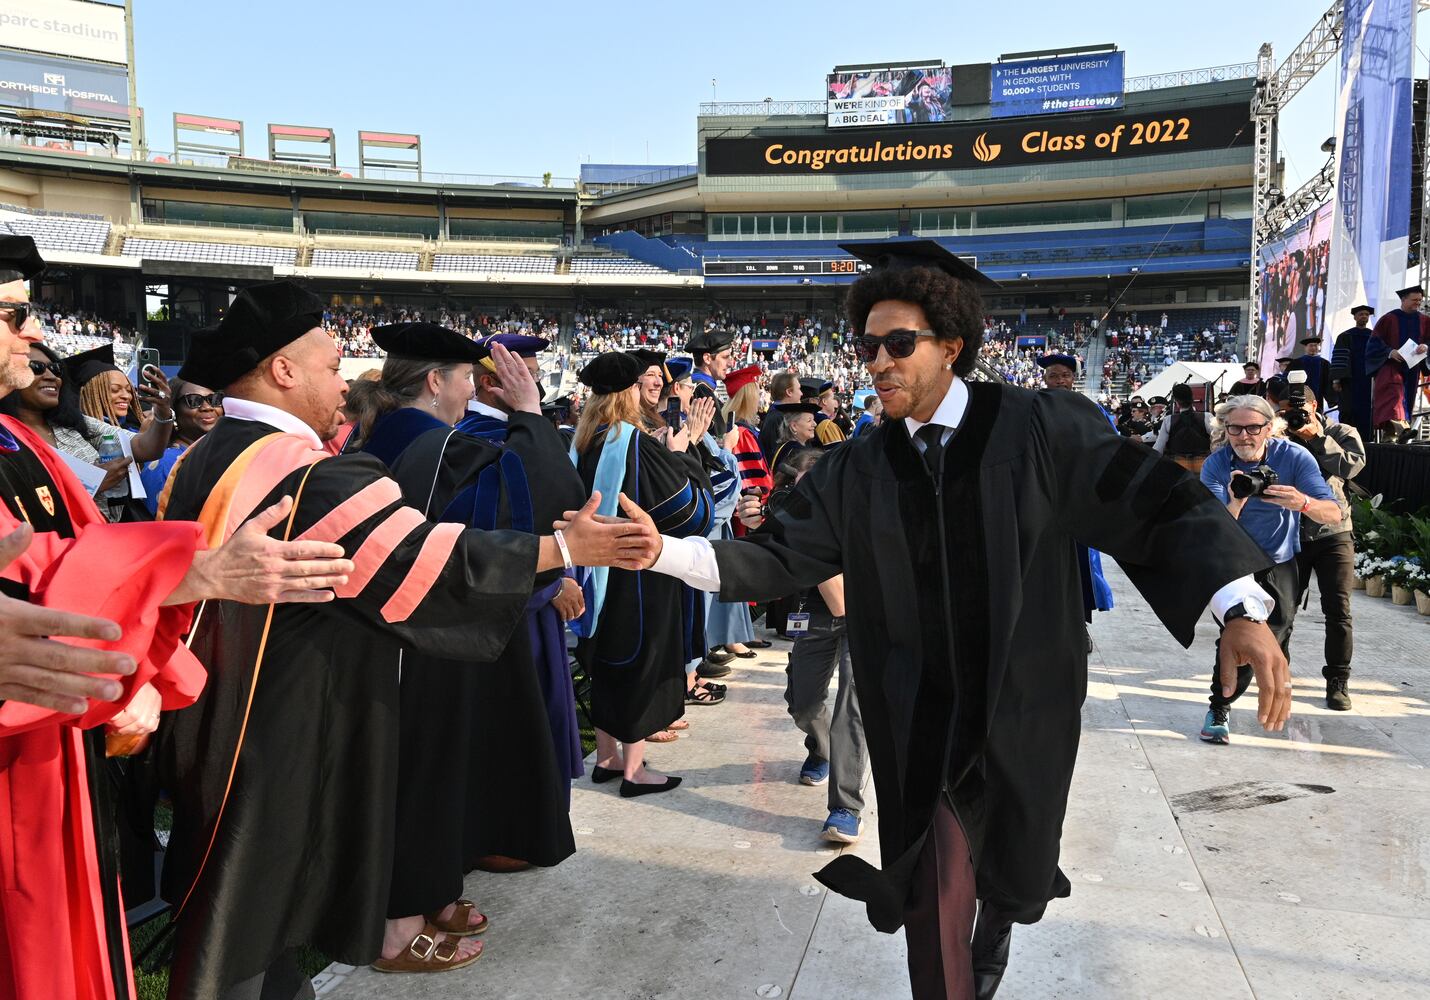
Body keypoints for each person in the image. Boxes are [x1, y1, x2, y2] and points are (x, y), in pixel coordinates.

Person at [620, 239, 1289, 1000]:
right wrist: (661, 551)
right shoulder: (858, 467)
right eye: (868, 346)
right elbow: (776, 555)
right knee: (934, 891)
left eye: (899, 344)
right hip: (919, 714)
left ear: (951, 346)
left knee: (1018, 868)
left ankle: (1001, 920)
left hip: (1025, 699)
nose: (878, 362)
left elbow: (1152, 503)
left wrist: (1238, 605)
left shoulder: (1040, 427)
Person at [156, 281, 655, 998]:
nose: (347, 385)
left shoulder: (206, 456)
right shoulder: (307, 474)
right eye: (332, 368)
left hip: (210, 704)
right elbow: (423, 566)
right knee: (246, 912)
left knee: (243, 904)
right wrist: (561, 550)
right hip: (281, 721)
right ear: (284, 371)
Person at [0, 235, 352, 1000]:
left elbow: (76, 557)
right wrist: (188, 577)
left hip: (60, 738)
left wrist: (158, 627)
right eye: (13, 315)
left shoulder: (21, 440)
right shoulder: (264, 459)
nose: (35, 333)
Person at [455, 331, 590, 872]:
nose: (536, 387)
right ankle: (504, 834)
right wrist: (552, 584)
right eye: (525, 376)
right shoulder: (480, 441)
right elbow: (504, 527)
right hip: (508, 611)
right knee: (511, 721)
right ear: (493, 383)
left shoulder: (513, 433)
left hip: (534, 601)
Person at [570, 352, 714, 797]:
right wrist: (684, 454)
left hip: (595, 571)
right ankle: (634, 771)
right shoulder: (633, 442)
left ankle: (608, 758)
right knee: (639, 660)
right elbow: (690, 513)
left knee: (605, 660)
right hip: (637, 574)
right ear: (629, 391)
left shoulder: (584, 441)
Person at [738, 447, 870, 844]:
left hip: (866, 612)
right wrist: (759, 529)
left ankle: (846, 806)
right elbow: (761, 568)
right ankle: (821, 748)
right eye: (798, 492)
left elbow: (842, 600)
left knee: (852, 709)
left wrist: (803, 540)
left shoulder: (861, 510)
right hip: (813, 612)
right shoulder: (790, 514)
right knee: (803, 701)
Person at [1197, 394, 1341, 746]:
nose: (1243, 436)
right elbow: (1211, 526)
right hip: (1234, 561)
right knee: (1241, 633)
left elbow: (1333, 513)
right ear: (1224, 429)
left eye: (1253, 428)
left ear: (1269, 428)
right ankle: (1220, 706)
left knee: (1279, 631)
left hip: (1279, 560)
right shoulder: (1216, 465)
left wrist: (1301, 502)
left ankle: (1276, 692)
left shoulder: (1294, 456)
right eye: (1234, 428)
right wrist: (1235, 501)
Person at [1263, 377, 1365, 710]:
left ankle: (1338, 680)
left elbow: (1352, 466)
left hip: (1333, 532)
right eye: (1284, 412)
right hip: (1290, 532)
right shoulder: (1277, 437)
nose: (1292, 417)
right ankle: (1280, 677)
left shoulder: (1340, 432)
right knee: (1282, 610)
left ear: (1314, 406)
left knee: (1338, 611)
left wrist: (1316, 438)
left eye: (1299, 410)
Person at [139, 379, 224, 514]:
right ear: (173, 410)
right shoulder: (164, 464)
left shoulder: (223, 454)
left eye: (214, 399)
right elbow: (158, 522)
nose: (207, 407)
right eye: (194, 401)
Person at [1368, 284, 1429, 436]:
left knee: (1406, 400)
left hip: (1412, 367)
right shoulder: (1389, 318)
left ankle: (1394, 435)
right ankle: (1401, 430)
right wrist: (1390, 352)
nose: (1418, 303)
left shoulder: (1425, 321)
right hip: (1390, 366)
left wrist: (1426, 347)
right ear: (1403, 300)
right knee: (1393, 397)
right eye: (1414, 300)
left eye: (1420, 300)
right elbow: (1374, 342)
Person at [1330, 304, 1375, 442]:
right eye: (1361, 314)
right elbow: (1338, 359)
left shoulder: (1373, 336)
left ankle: (1367, 441)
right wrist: (1336, 380)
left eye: (1366, 314)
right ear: (1355, 317)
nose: (1364, 317)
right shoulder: (1345, 336)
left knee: (1367, 411)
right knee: (1348, 410)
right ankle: (1346, 441)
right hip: (1349, 381)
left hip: (1368, 381)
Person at [1153, 381, 1213, 473]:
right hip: (1203, 466)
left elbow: (1158, 448)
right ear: (1192, 398)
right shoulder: (1207, 417)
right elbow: (1218, 443)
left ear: (1176, 402)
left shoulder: (1168, 420)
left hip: (1179, 468)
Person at [686, 328, 734, 437]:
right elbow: (720, 434)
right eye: (725, 357)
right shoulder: (701, 390)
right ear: (707, 358)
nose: (730, 364)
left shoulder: (700, 386)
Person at [759, 371, 801, 458]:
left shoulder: (780, 415)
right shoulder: (777, 418)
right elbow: (776, 457)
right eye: (799, 389)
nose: (801, 393)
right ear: (789, 392)